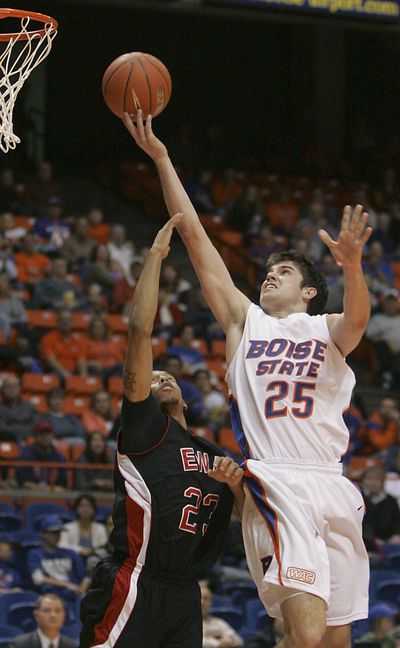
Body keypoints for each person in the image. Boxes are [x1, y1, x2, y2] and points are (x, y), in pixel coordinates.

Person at [124, 111, 372, 648]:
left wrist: (352, 267)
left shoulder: (324, 327)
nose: (269, 275)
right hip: (276, 481)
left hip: (331, 479)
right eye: (268, 271)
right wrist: (163, 158)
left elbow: (357, 321)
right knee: (304, 636)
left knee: (336, 642)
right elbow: (193, 234)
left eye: (283, 273)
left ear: (309, 292)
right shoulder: (244, 320)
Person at [80, 216, 244, 648]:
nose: (160, 378)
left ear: (187, 400)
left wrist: (238, 486)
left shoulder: (214, 453)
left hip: (186, 592)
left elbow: (245, 514)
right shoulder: (145, 428)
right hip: (135, 579)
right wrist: (153, 258)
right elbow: (140, 330)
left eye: (167, 376)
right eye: (152, 379)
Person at [7, 593, 78, 648]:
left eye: (57, 611)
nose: (53, 615)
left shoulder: (72, 646)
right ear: (36, 615)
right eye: (47, 610)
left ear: (64, 616)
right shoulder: (19, 645)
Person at [59, 494, 109, 560]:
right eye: (82, 506)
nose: (85, 509)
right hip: (73, 560)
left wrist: (92, 552)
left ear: (94, 509)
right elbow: (62, 545)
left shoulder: (100, 528)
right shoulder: (67, 527)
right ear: (76, 509)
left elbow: (104, 548)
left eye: (89, 506)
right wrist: (80, 550)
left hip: (95, 561)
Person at [199, 579, 244, 647]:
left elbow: (238, 640)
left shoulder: (218, 622)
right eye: (199, 598)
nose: (202, 602)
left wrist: (227, 641)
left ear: (210, 604)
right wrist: (218, 643)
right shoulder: (187, 625)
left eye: (206, 599)